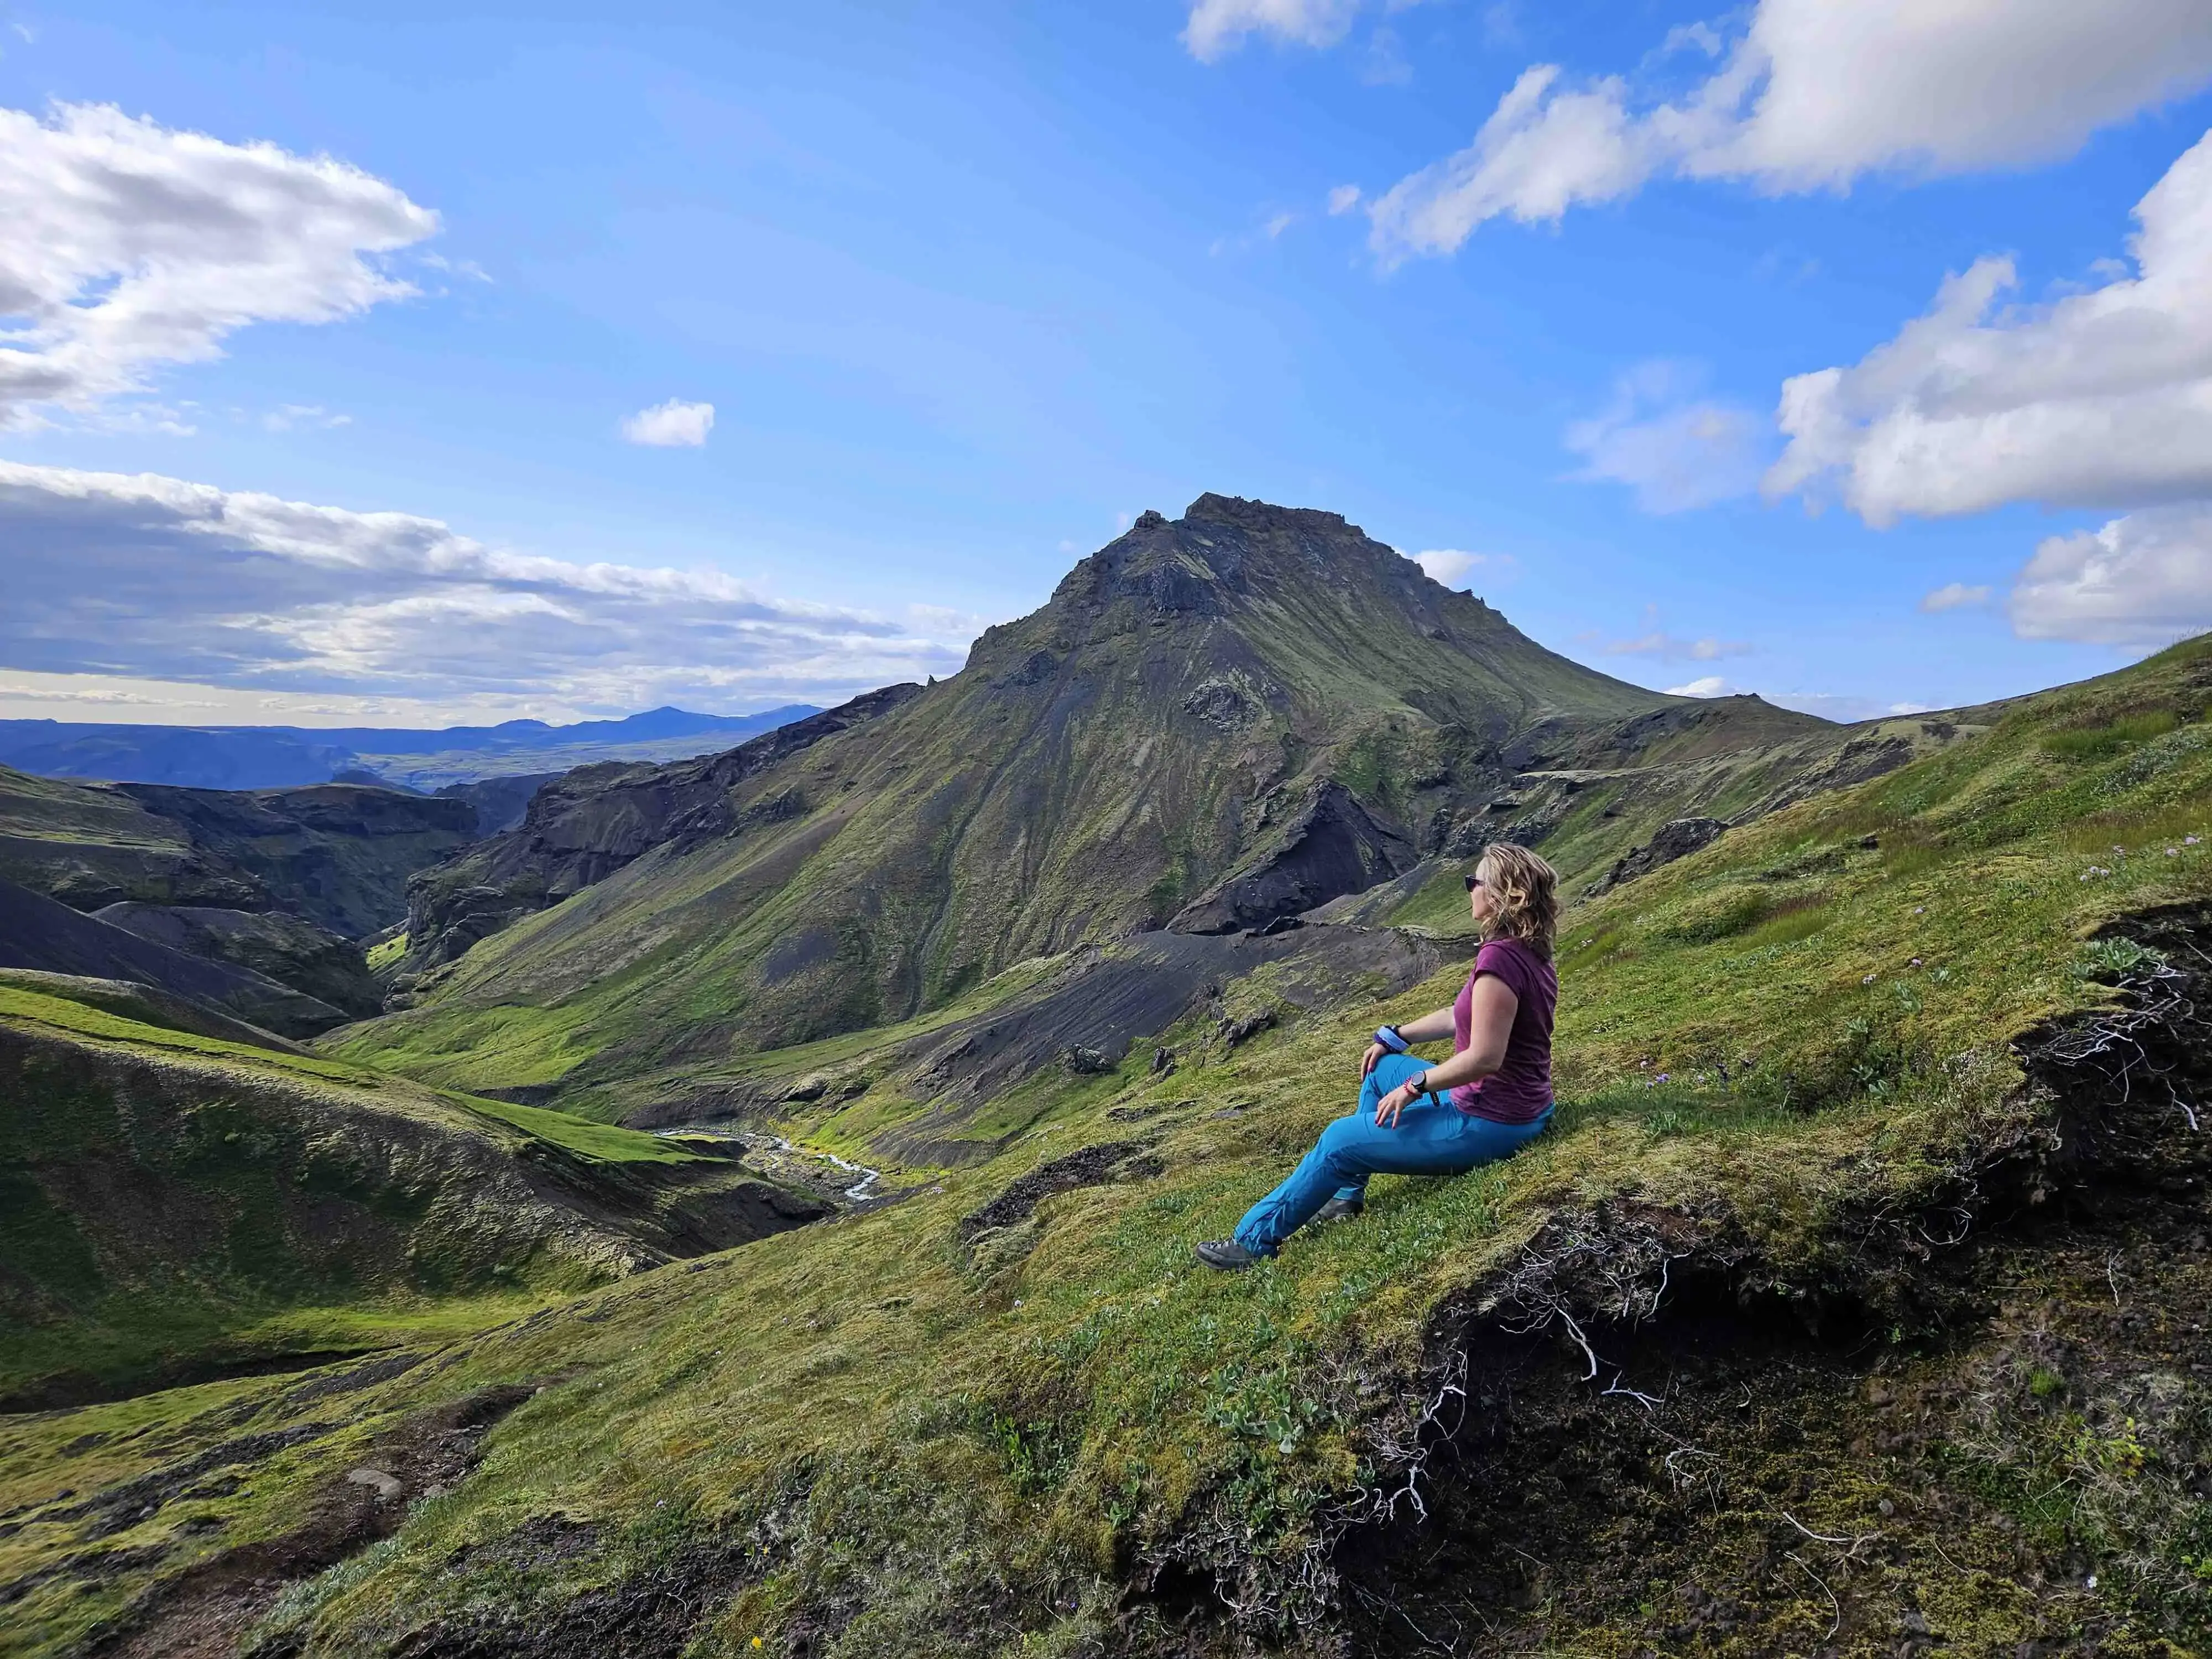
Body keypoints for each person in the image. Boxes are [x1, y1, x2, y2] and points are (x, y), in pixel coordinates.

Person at [1194, 842, 1561, 1271]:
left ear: (1501, 896)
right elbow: (1459, 1014)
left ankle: (1252, 1242)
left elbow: (1484, 1057)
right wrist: (1395, 1037)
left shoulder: (1499, 960)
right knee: (1379, 1069)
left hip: (1489, 1122)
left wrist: (1415, 1086)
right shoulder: (1526, 952)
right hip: (1512, 1106)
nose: (1469, 891)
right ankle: (1346, 1196)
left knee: (1338, 1140)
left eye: (1473, 882)